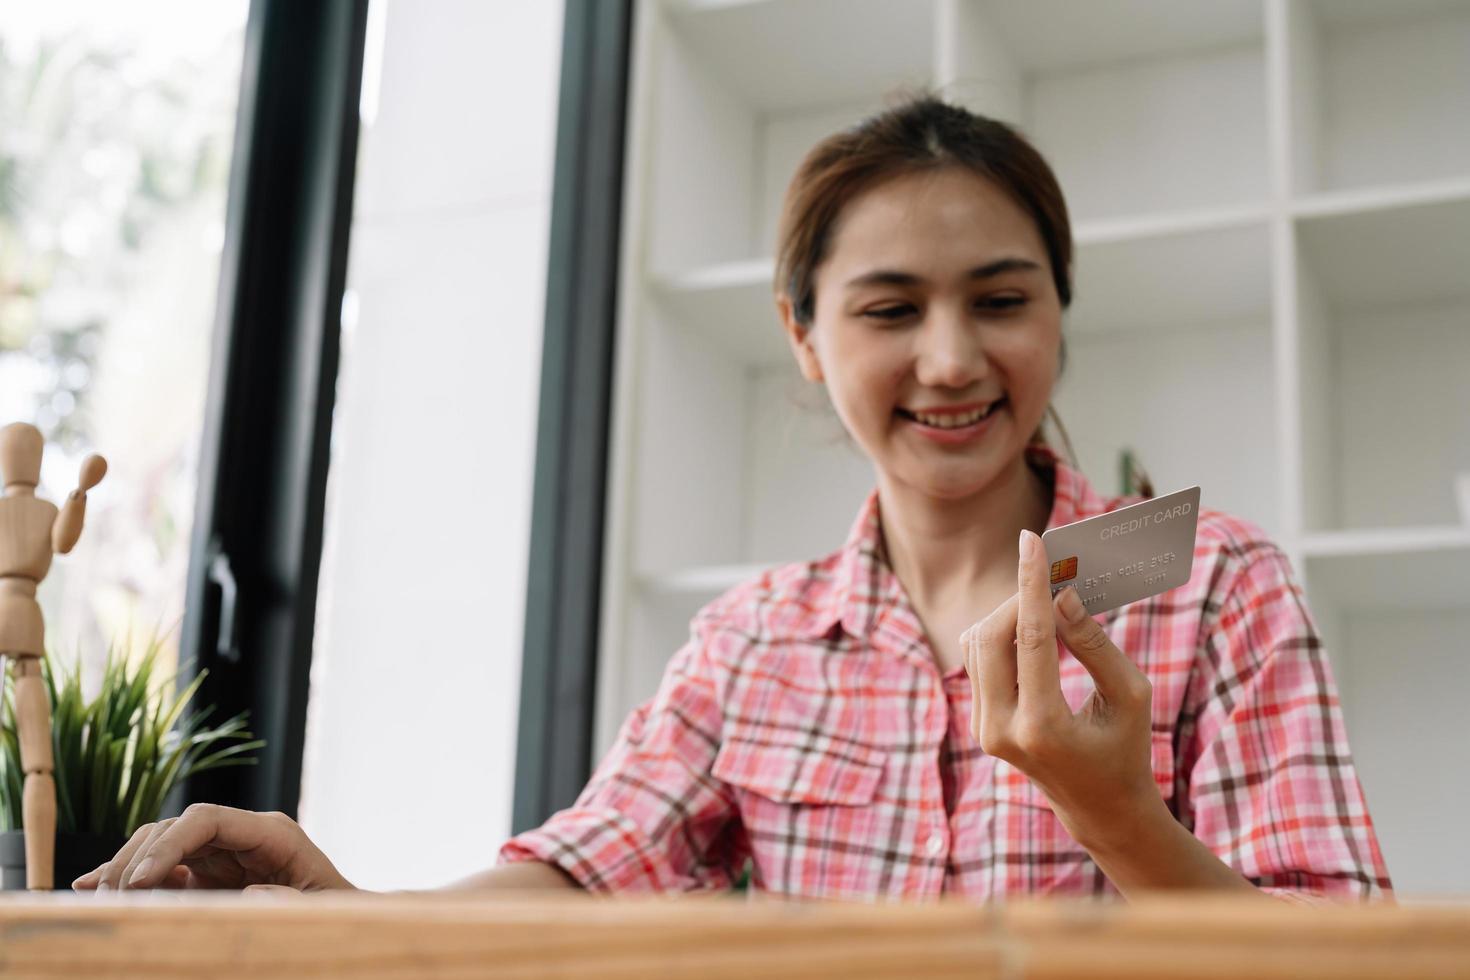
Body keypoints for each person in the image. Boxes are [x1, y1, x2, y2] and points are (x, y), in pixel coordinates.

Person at [75, 96, 1390, 901]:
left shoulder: (1213, 581)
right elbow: (585, 878)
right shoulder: (752, 641)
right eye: (887, 309)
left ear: (1057, 309)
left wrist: (1115, 814)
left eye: (999, 299)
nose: (949, 359)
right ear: (804, 334)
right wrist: (351, 906)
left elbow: (1342, 963)